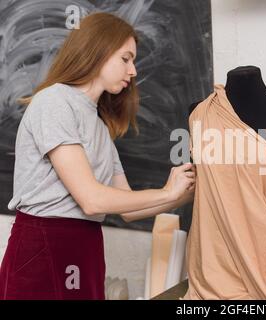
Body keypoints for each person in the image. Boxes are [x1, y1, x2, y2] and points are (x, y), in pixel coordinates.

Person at [0, 12, 195, 300]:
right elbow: (91, 200)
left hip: (85, 244)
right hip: (45, 243)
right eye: (125, 59)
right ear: (98, 51)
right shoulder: (54, 102)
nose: (133, 71)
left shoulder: (99, 126)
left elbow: (128, 209)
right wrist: (167, 192)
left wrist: (184, 194)